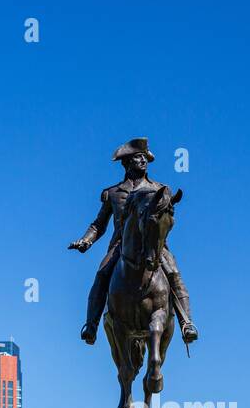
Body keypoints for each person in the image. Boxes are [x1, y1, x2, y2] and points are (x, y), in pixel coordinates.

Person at [69, 137, 198, 345]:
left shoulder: (159, 189)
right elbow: (98, 225)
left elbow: (166, 219)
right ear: (127, 162)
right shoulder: (112, 193)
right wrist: (85, 241)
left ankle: (186, 322)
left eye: (145, 157)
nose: (144, 161)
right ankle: (91, 325)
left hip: (153, 246)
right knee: (102, 274)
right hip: (121, 246)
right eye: (139, 157)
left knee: (173, 273)